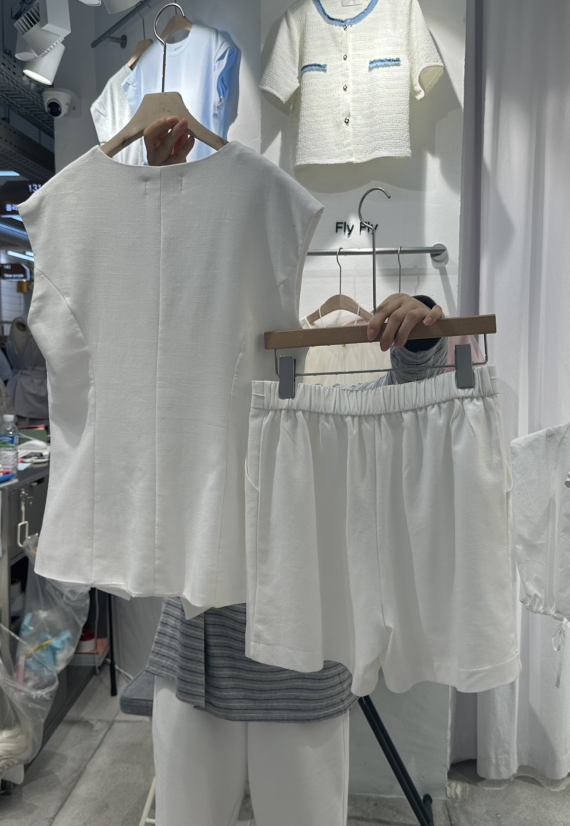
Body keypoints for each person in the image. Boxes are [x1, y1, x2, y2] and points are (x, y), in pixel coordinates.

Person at [141, 116, 444, 826]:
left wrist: (422, 323)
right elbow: (153, 314)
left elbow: (407, 418)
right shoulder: (209, 363)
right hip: (197, 655)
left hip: (304, 665)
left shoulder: (336, 387)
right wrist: (161, 194)